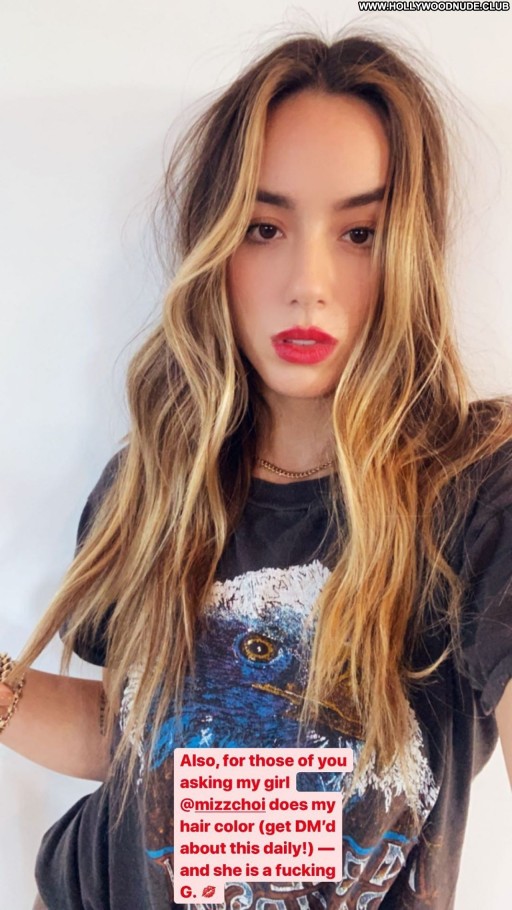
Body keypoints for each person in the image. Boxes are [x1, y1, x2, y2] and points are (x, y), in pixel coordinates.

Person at [1, 30, 512, 910]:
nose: (308, 283)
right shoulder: (151, 483)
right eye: (263, 228)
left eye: (359, 232)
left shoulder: (474, 493)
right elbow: (132, 734)